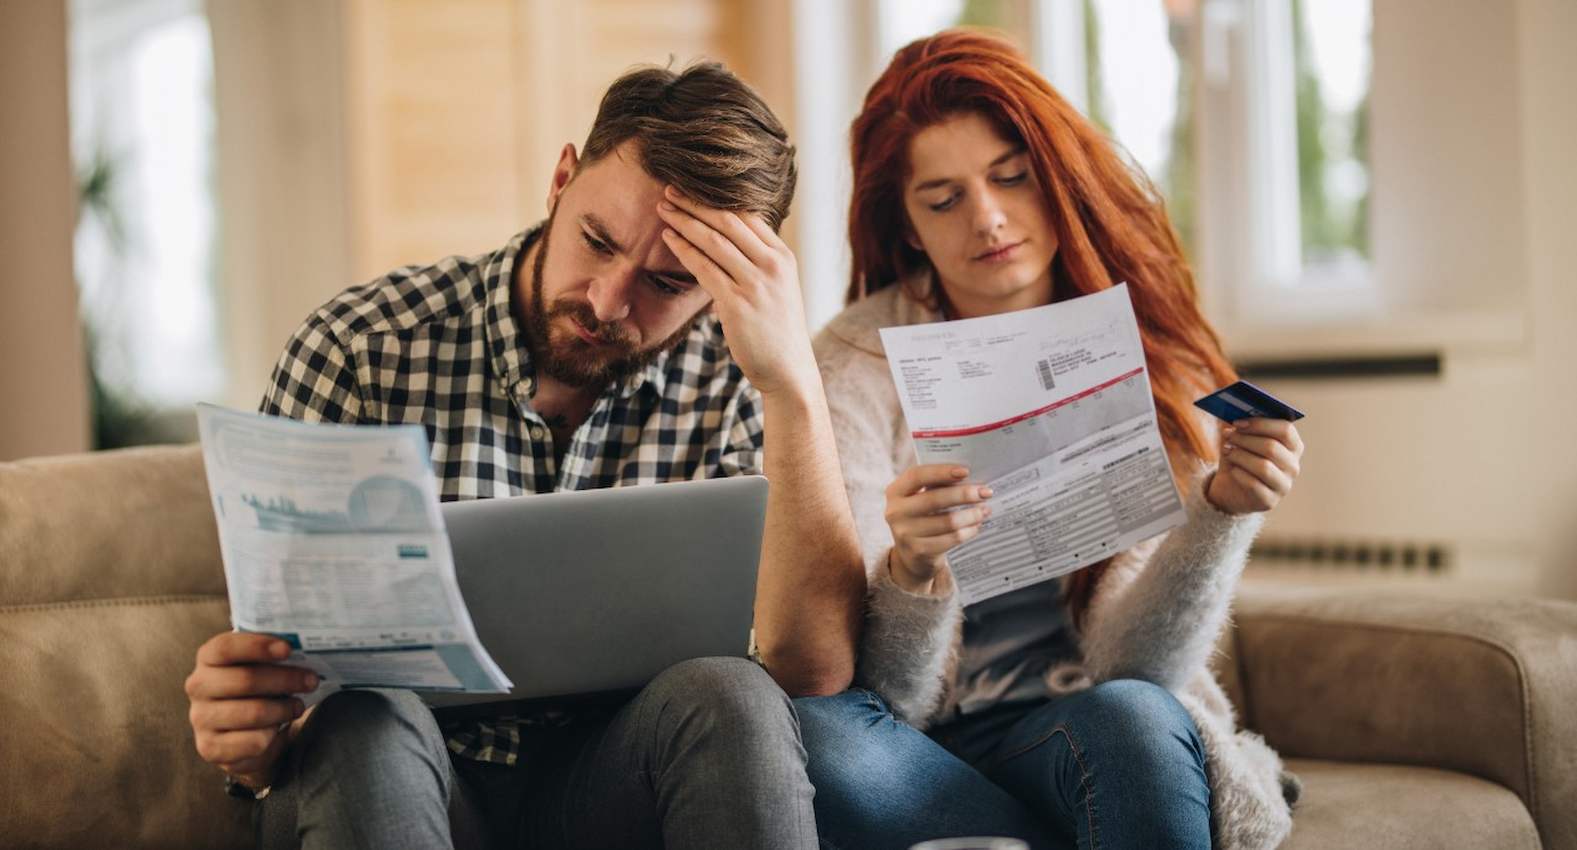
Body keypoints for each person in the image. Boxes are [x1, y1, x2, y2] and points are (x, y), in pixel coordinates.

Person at [182, 61, 865, 850]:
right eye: (596, 240)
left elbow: (810, 674)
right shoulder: (360, 350)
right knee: (366, 722)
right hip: (396, 775)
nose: (609, 302)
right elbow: (278, 690)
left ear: (727, 286)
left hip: (611, 786)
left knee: (731, 695)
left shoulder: (740, 377)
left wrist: (792, 391)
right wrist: (250, 739)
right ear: (560, 179)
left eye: (668, 283)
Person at [795, 30, 1304, 850]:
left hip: (1092, 724)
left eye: (1010, 177)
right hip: (924, 749)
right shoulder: (853, 362)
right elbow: (878, 696)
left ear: (1055, 179)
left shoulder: (1143, 349)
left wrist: (1219, 514)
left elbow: (1139, 672)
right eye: (943, 198)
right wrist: (912, 572)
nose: (987, 218)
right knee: (815, 744)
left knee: (1134, 723)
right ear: (908, 227)